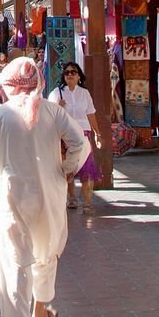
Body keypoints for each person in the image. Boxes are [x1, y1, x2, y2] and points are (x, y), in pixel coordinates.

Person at [0, 57, 87, 317]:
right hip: (50, 193)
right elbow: (79, 142)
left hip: (13, 196)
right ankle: (40, 308)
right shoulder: (52, 111)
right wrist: (68, 167)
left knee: (15, 257)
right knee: (47, 251)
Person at [48, 64, 104, 211]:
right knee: (68, 167)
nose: (70, 75)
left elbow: (91, 114)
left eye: (73, 72)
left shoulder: (84, 93)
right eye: (67, 72)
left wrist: (97, 133)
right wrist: (58, 106)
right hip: (65, 134)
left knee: (87, 167)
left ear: (79, 76)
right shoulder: (56, 93)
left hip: (83, 134)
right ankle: (71, 198)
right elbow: (48, 115)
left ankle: (87, 202)